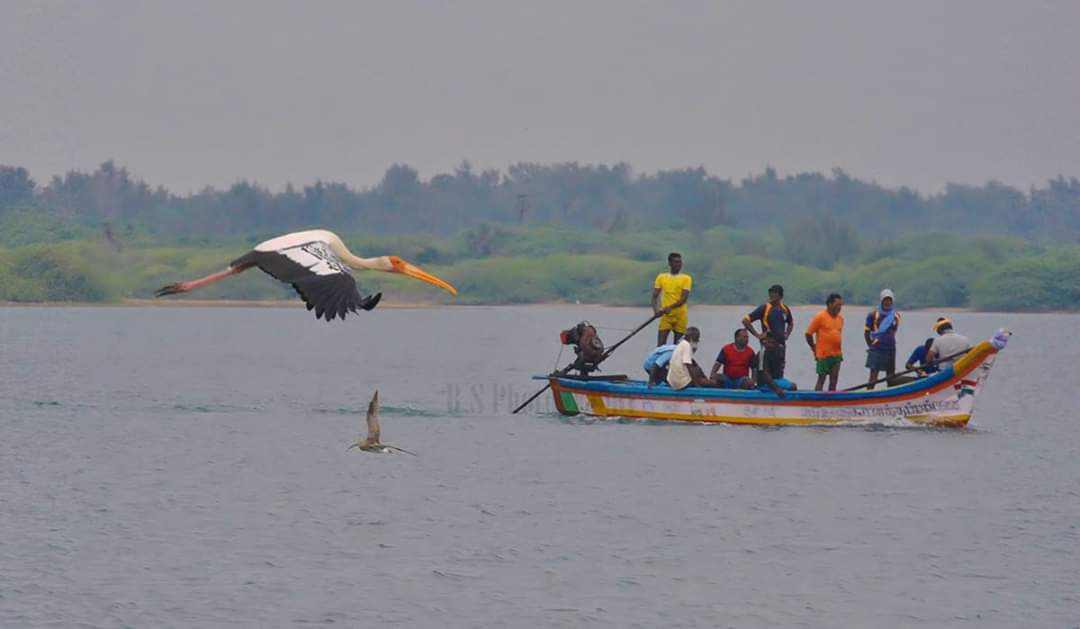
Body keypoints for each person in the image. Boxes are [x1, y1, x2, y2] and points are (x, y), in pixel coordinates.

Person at [743, 284, 793, 382]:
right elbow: (746, 320)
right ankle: (762, 387)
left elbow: (791, 323)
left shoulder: (785, 309)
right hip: (768, 344)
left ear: (780, 296)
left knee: (779, 370)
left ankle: (777, 388)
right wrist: (758, 335)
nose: (772, 295)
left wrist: (787, 334)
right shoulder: (765, 308)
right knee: (765, 369)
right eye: (770, 293)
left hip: (781, 345)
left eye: (775, 293)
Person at [805, 293, 844, 391]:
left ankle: (832, 400)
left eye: (840, 305)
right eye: (837, 305)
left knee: (834, 379)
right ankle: (817, 400)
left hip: (836, 354)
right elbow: (808, 333)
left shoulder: (840, 319)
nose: (839, 308)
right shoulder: (820, 317)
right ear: (830, 304)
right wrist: (813, 348)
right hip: (823, 355)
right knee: (821, 379)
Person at [652, 252, 692, 346]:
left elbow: (683, 299)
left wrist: (668, 307)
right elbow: (655, 296)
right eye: (676, 262)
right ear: (670, 263)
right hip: (666, 316)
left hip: (680, 316)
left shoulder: (686, 278)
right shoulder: (661, 277)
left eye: (680, 262)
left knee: (677, 347)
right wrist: (656, 310)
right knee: (660, 346)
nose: (679, 264)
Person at [864, 288, 900, 389]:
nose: (887, 302)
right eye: (885, 300)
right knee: (873, 377)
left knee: (891, 377)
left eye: (889, 300)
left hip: (890, 348)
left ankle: (890, 397)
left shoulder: (896, 316)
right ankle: (868, 396)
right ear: (881, 300)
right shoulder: (873, 315)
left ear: (892, 301)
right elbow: (866, 332)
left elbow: (894, 331)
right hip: (877, 348)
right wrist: (871, 346)